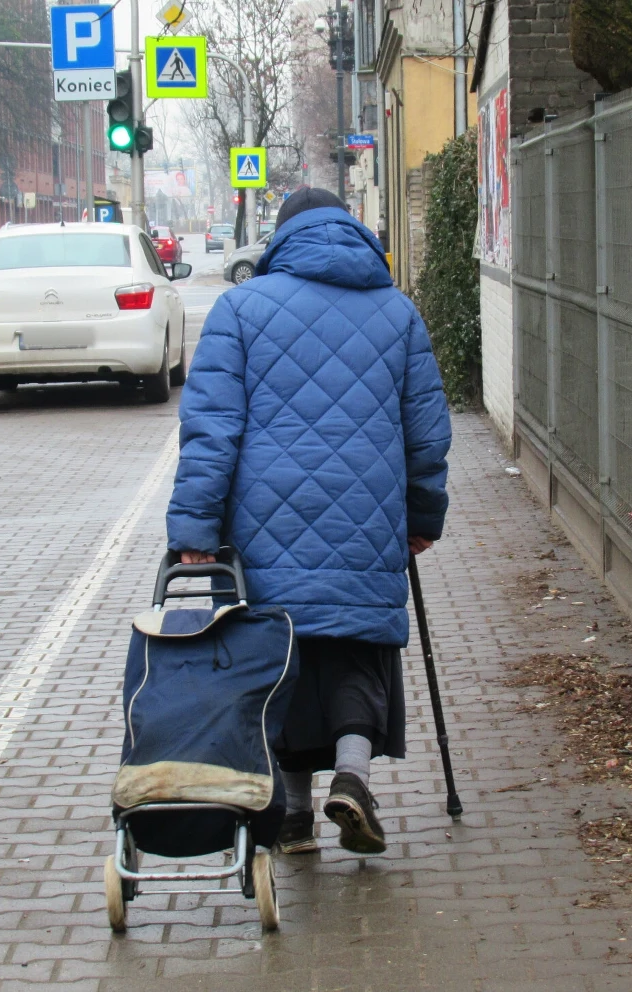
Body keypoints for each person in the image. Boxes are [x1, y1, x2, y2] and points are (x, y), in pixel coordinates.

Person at [166, 187, 452, 856]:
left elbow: (211, 430)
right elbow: (427, 433)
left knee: (280, 651)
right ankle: (352, 778)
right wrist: (422, 515)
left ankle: (293, 814)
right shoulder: (398, 312)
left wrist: (195, 533)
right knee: (355, 645)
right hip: (367, 513)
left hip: (266, 519)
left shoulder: (240, 309)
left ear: (281, 239)